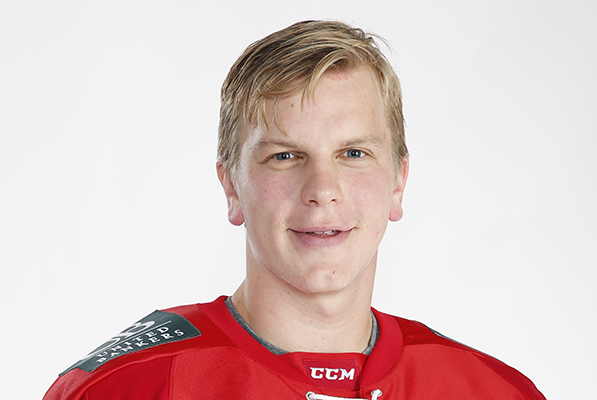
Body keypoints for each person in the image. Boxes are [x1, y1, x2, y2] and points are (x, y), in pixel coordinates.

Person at [44, 20, 546, 400]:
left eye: (353, 153)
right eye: (285, 156)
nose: (323, 190)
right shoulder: (123, 388)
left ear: (398, 182)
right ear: (231, 187)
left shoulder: (493, 391)